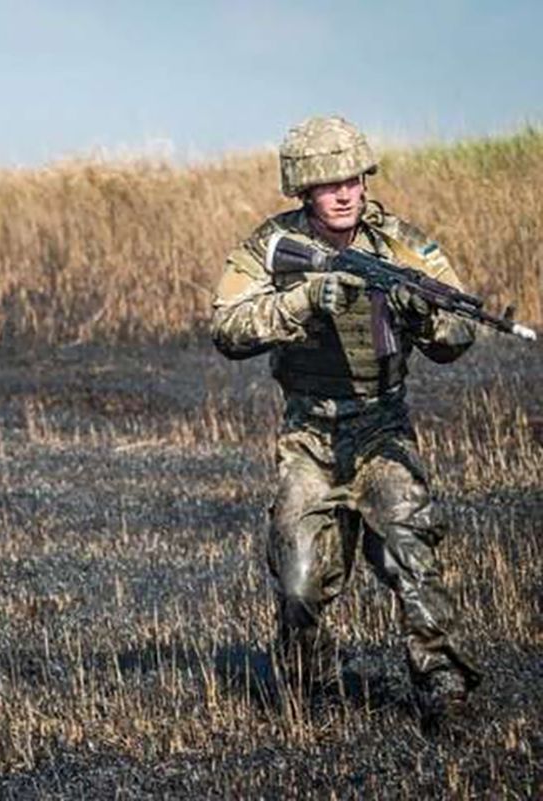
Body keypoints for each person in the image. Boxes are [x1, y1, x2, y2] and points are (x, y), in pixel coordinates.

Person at [210, 116, 482, 726]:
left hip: (381, 428)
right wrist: (303, 299)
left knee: (412, 557)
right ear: (304, 189)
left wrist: (422, 317)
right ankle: (309, 685)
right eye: (329, 184)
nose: (344, 194)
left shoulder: (400, 244)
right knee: (300, 578)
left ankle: (444, 689)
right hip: (309, 436)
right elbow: (226, 328)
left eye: (353, 181)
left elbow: (460, 328)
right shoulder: (271, 245)